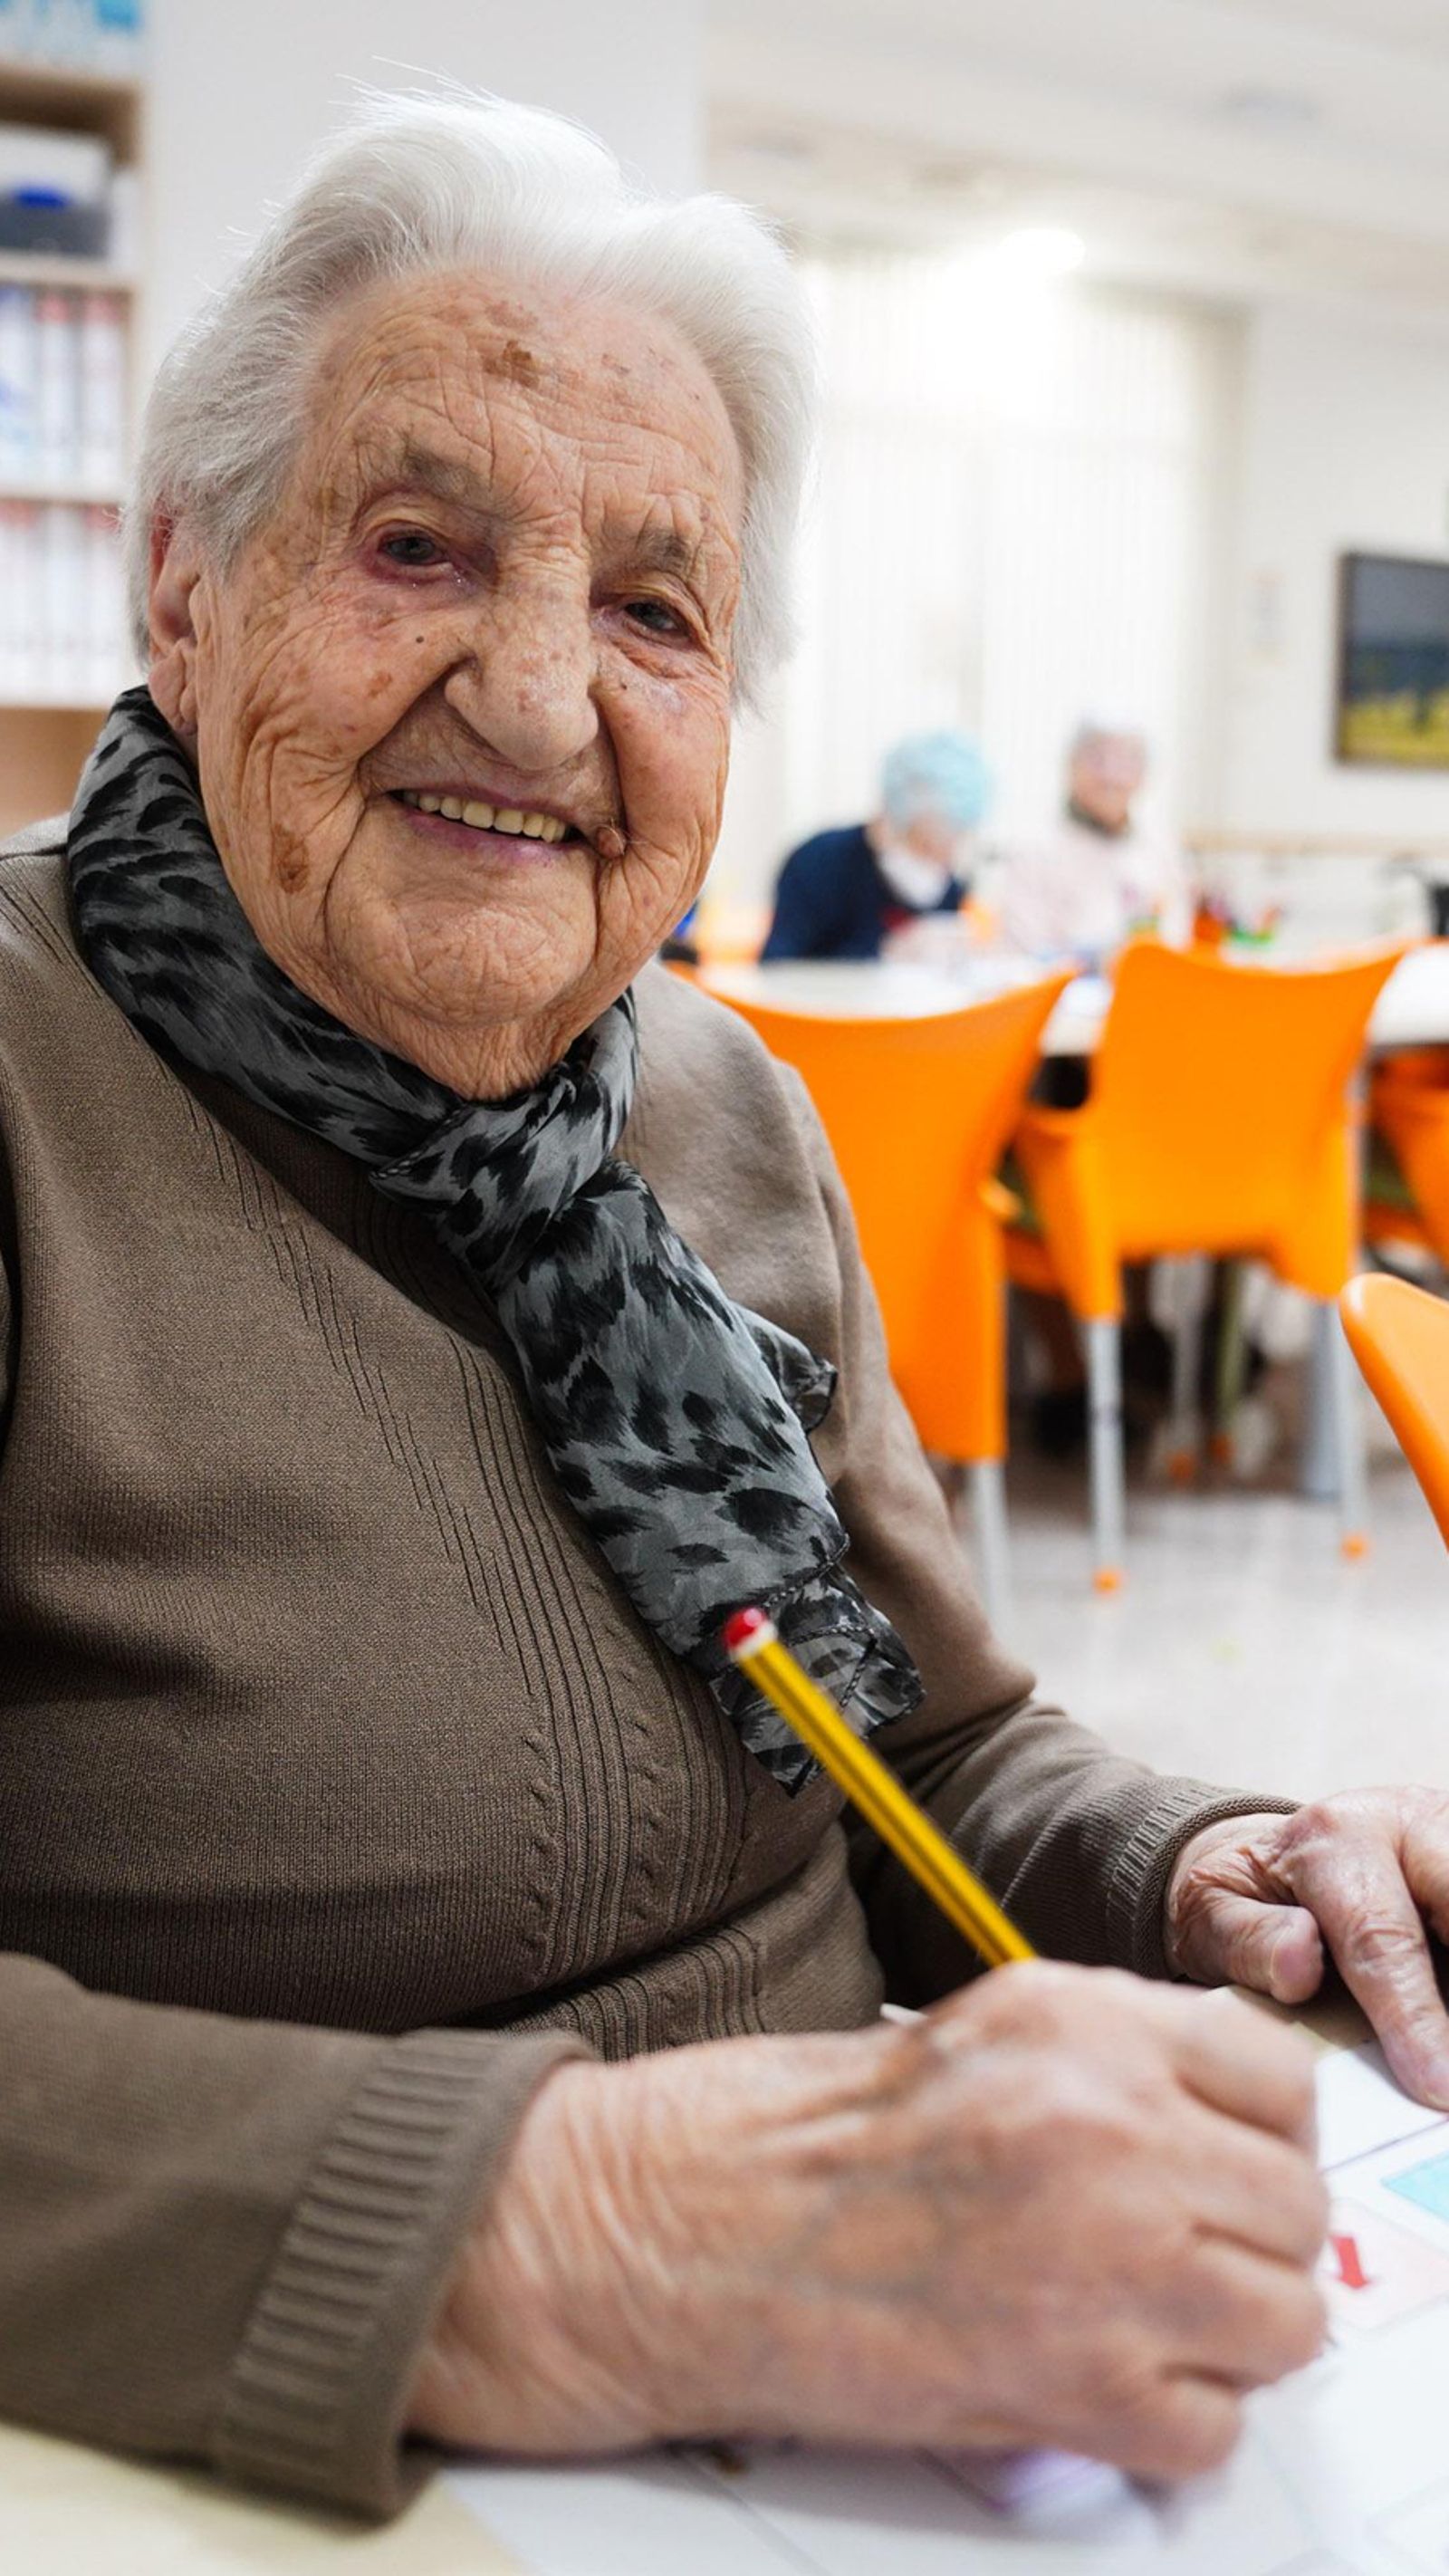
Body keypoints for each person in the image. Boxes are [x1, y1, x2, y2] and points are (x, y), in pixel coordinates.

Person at [3, 90, 1449, 2527]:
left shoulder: (719, 1108)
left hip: (836, 2433)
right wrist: (591, 2232)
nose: (547, 692)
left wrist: (1216, 1863)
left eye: (660, 609)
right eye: (417, 543)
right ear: (182, 587)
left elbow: (944, 1759)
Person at [761, 729, 991, 961]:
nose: (942, 860)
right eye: (926, 845)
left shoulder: (949, 886)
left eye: (950, 845)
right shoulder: (817, 863)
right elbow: (777, 965)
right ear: (892, 818)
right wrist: (881, 954)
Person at [1000, 719, 1189, 966]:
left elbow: (1175, 941)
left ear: (1144, 775)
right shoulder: (1031, 849)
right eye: (1098, 758)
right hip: (1061, 1000)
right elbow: (1023, 953)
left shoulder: (1160, 849)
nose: (1111, 775)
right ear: (1070, 766)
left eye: (1127, 761)